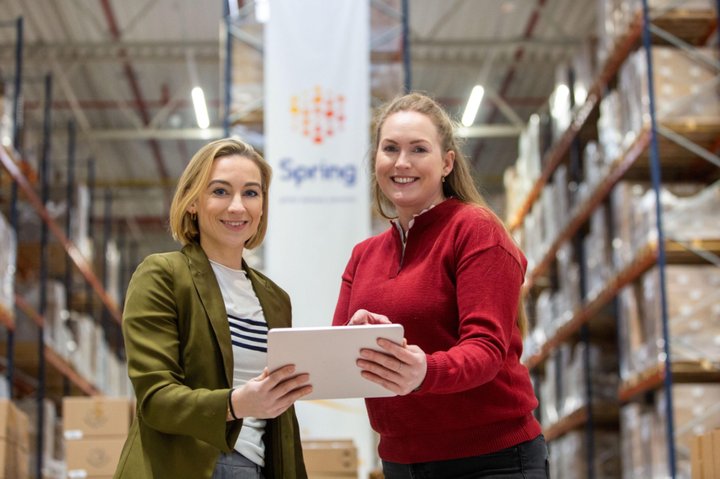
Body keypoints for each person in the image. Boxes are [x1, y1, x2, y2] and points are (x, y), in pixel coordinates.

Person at [332, 92, 548, 478]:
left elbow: (486, 349)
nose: (402, 162)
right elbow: (341, 359)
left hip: (491, 460)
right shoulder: (363, 255)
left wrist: (425, 371)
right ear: (376, 160)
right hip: (401, 462)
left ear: (447, 163)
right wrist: (353, 340)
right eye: (390, 149)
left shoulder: (476, 231)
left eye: (418, 149)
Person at [114, 138, 312, 479]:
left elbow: (282, 415)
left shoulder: (275, 299)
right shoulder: (162, 275)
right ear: (193, 201)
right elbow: (155, 399)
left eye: (251, 193)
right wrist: (236, 404)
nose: (237, 207)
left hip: (258, 466)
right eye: (220, 191)